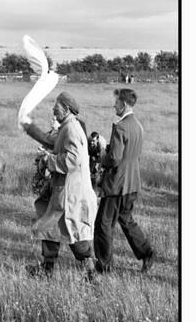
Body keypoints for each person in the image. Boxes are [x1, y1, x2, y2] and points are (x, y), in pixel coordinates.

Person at [21, 91, 97, 279]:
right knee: (50, 227)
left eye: (57, 107)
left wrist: (49, 160)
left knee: (74, 233)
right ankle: (46, 270)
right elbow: (50, 140)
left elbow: (74, 159)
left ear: (67, 109)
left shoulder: (72, 129)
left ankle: (90, 272)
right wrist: (28, 127)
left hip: (71, 194)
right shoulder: (67, 127)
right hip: (64, 191)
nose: (53, 110)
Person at [94, 88, 154, 273]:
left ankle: (104, 266)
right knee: (126, 220)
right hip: (132, 183)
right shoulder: (138, 125)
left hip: (117, 185)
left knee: (103, 224)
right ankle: (147, 253)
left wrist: (102, 152)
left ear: (124, 104)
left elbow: (114, 159)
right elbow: (127, 152)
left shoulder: (120, 126)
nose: (114, 105)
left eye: (117, 102)